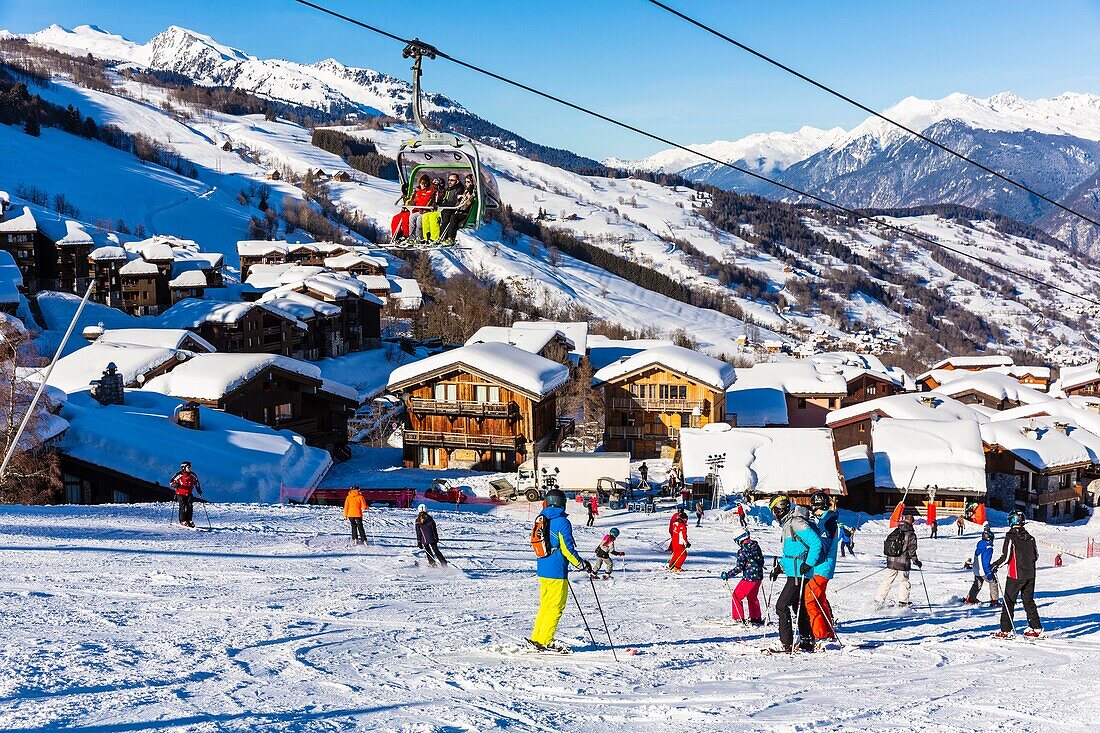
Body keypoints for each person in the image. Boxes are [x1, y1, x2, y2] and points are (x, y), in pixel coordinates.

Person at [529, 489, 592, 652]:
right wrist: (581, 564)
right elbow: (567, 549)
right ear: (561, 503)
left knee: (545, 605)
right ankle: (545, 641)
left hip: (543, 567)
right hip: (557, 570)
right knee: (556, 606)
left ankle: (537, 637)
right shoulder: (561, 521)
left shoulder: (542, 518)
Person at [769, 495, 823, 653]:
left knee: (781, 606)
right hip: (794, 572)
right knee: (797, 607)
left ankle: (786, 643)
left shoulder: (796, 523)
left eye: (775, 511)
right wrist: (780, 568)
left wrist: (809, 563)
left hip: (800, 573)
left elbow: (816, 543)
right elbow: (790, 553)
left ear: (780, 509)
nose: (775, 515)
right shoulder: (788, 524)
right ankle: (807, 640)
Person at [991, 511, 1043, 638]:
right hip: (1030, 575)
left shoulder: (1011, 537)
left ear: (1012, 521)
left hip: (1015, 575)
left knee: (1008, 601)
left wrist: (995, 565)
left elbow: (1006, 557)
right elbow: (1035, 556)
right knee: (1028, 600)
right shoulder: (1030, 537)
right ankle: (1036, 627)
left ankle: (1005, 630)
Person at [804, 491, 839, 644]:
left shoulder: (827, 521)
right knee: (820, 600)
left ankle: (819, 635)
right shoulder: (824, 520)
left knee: (810, 600)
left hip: (821, 567)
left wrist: (810, 562)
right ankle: (828, 631)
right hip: (822, 567)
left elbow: (823, 545)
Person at [874, 515, 921, 607]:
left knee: (887, 580)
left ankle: (878, 600)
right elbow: (912, 551)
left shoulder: (896, 530)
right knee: (904, 581)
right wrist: (916, 561)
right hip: (903, 563)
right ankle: (903, 602)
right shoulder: (911, 534)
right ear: (912, 523)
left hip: (891, 561)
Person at [721, 528, 765, 626]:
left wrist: (728, 574)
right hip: (758, 577)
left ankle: (738, 618)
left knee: (736, 596)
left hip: (749, 578)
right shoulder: (756, 546)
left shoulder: (742, 550)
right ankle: (755, 617)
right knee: (752, 597)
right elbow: (761, 561)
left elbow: (739, 568)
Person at [390, 174, 434, 242]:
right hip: (413, 210)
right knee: (396, 218)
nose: (423, 184)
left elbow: (425, 201)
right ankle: (397, 236)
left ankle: (408, 236)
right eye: (422, 182)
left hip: (421, 210)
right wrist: (408, 199)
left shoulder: (429, 191)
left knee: (408, 217)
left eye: (425, 182)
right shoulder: (417, 191)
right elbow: (413, 201)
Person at [965, 526, 1000, 606]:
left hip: (977, 569)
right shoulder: (988, 548)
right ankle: (994, 601)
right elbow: (985, 561)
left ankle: (971, 598)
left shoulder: (980, 545)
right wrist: (989, 572)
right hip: (983, 570)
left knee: (977, 583)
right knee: (993, 582)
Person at [439, 174, 478, 244]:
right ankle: (443, 237)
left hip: (466, 213)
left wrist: (468, 199)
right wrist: (459, 199)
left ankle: (451, 238)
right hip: (460, 211)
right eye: (466, 182)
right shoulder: (466, 191)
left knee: (453, 217)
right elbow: (459, 204)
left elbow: (468, 204)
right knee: (448, 215)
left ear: (473, 182)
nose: (467, 184)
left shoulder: (473, 192)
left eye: (468, 182)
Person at [422, 174, 457, 242]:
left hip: (445, 210)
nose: (449, 182)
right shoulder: (446, 190)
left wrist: (440, 204)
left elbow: (450, 202)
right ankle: (426, 238)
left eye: (452, 180)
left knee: (433, 217)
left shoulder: (453, 190)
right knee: (425, 217)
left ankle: (434, 237)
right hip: (439, 209)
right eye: (449, 180)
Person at [170, 461, 202, 527]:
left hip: (189, 493)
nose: (190, 468)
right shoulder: (179, 475)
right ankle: (183, 521)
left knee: (190, 506)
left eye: (190, 467)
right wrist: (175, 485)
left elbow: (196, 483)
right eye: (188, 467)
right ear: (184, 468)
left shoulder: (193, 475)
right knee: (182, 506)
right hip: (180, 493)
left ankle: (189, 520)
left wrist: (198, 490)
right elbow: (171, 483)